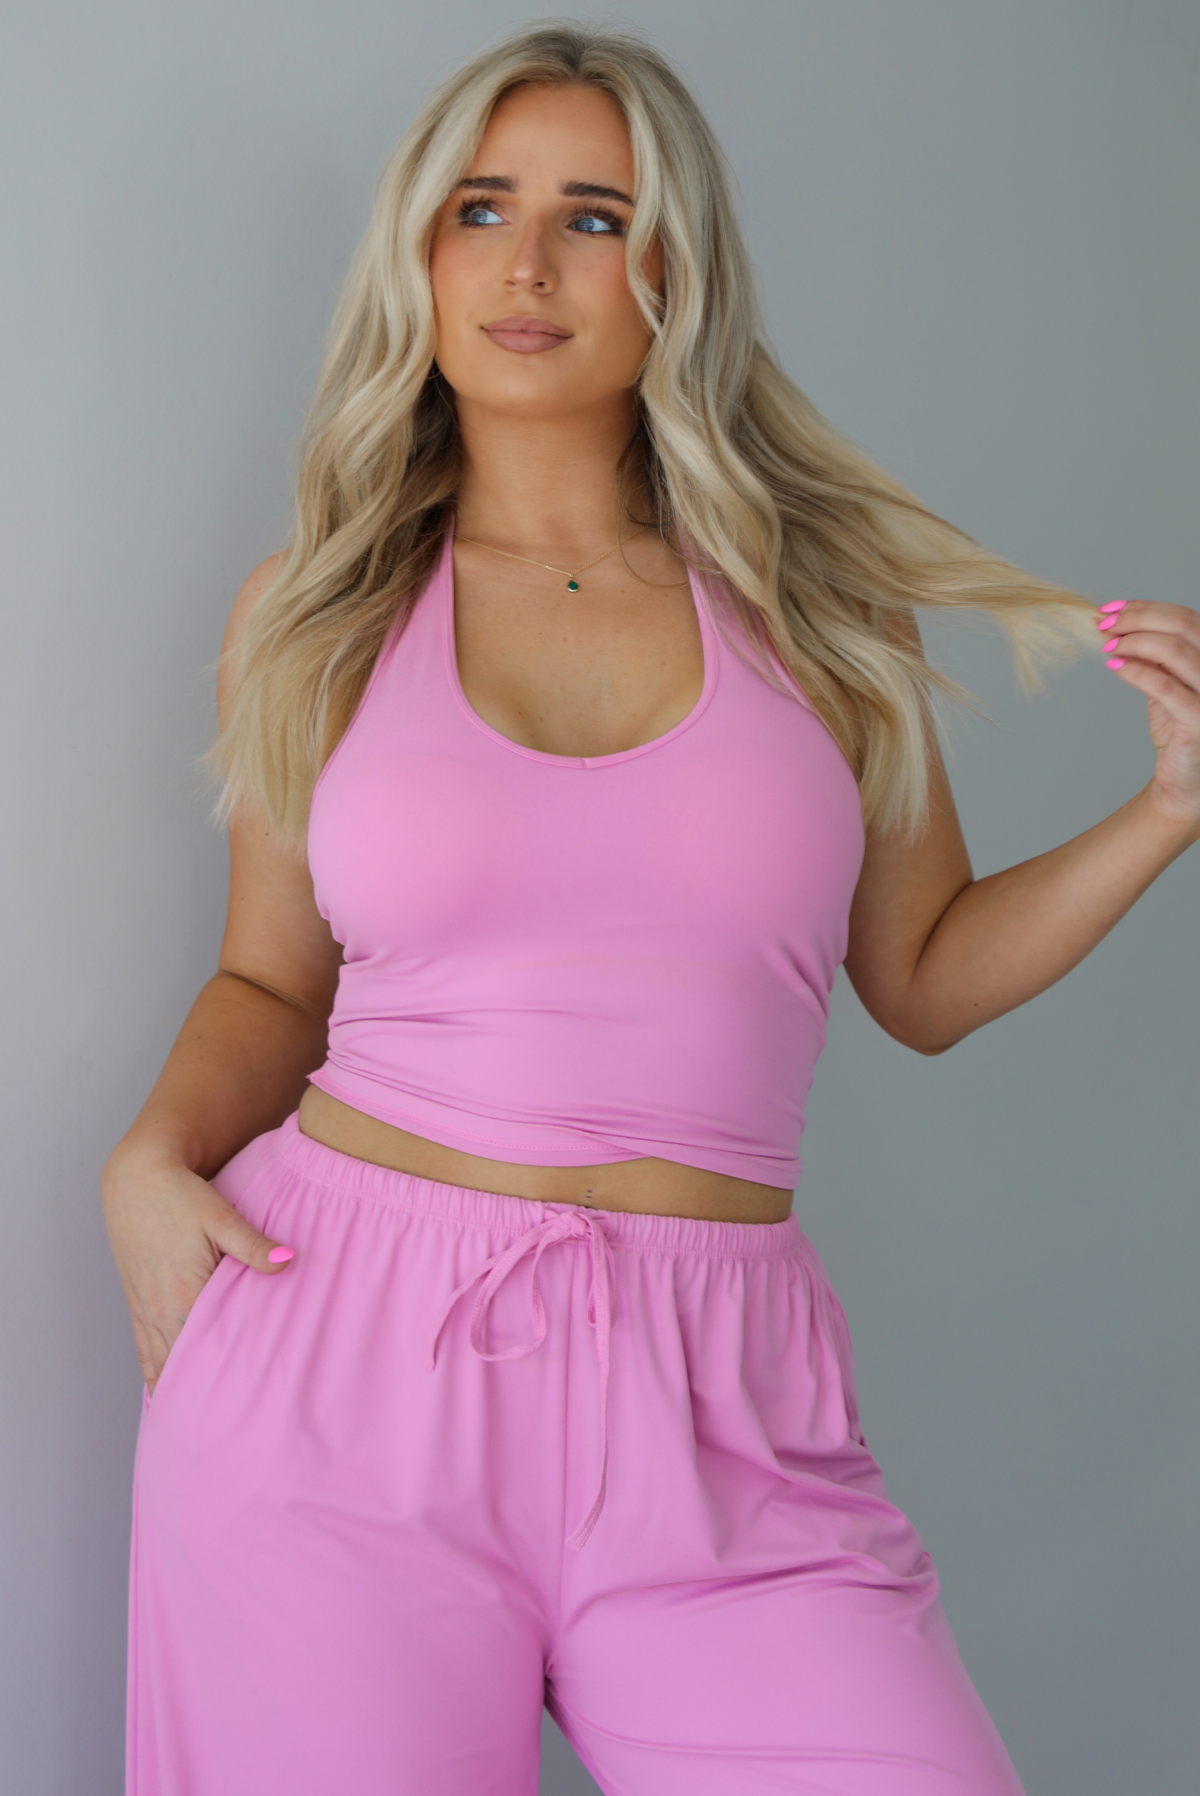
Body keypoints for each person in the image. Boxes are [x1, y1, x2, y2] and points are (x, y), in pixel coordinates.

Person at [100, 23, 1200, 1796]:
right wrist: (146, 1165)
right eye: (480, 209)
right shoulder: (312, 613)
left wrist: (1167, 814)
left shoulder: (824, 617)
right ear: (419, 255)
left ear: (674, 269)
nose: (527, 264)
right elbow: (268, 983)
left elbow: (922, 975)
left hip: (721, 1405)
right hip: (338, 1373)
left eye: (594, 217)